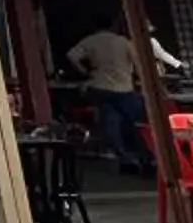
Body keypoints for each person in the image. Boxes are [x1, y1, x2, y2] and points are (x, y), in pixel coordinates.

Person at [67, 15, 183, 174]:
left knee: (111, 124)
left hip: (100, 87)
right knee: (136, 124)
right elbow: (137, 63)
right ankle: (146, 158)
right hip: (124, 87)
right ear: (112, 25)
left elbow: (71, 56)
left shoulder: (90, 41)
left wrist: (85, 72)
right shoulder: (122, 42)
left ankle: (124, 158)